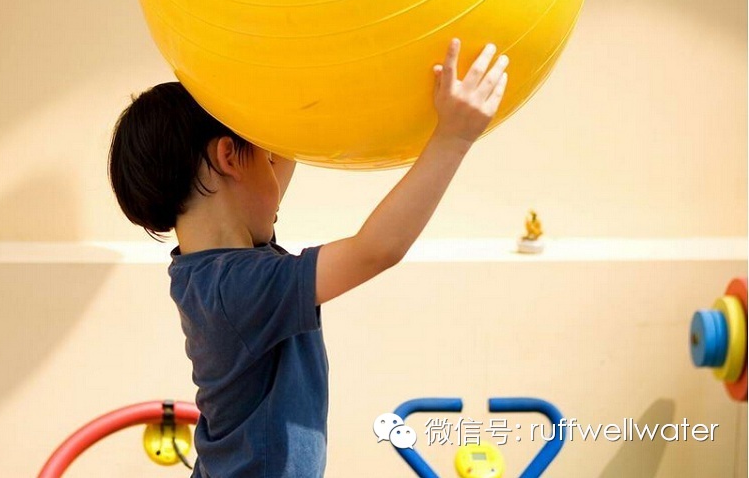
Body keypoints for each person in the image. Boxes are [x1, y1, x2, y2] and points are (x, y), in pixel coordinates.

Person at [108, 39, 509, 477]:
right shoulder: (242, 287)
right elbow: (377, 249)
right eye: (267, 156)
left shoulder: (205, 269)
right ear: (228, 157)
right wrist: (453, 138)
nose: (277, 168)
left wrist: (301, 83)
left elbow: (259, 191)